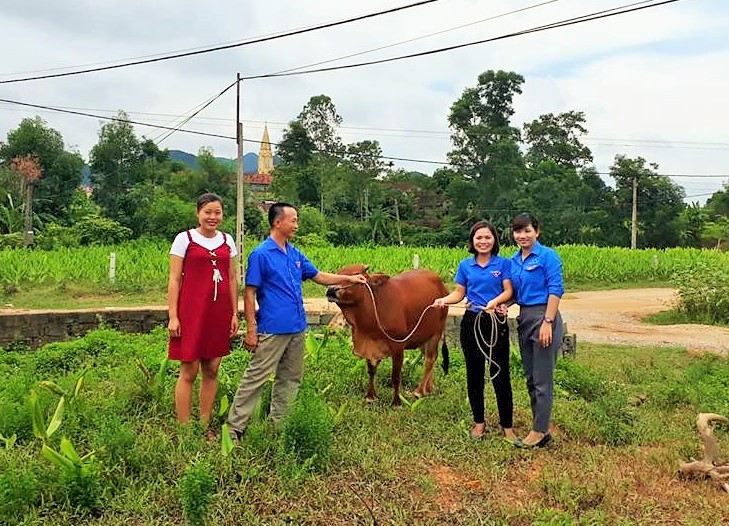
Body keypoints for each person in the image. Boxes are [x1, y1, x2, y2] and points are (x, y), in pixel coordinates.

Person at [227, 202, 366, 440]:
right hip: (272, 328)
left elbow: (319, 276)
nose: (296, 225)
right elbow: (249, 293)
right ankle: (235, 428)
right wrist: (251, 329)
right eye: (293, 220)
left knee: (290, 378)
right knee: (256, 377)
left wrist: (349, 279)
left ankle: (278, 425)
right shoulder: (261, 254)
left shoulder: (294, 253)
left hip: (296, 327)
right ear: (277, 222)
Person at [433, 221, 515, 442]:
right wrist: (443, 300)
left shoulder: (503, 264)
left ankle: (507, 426)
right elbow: (459, 293)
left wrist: (494, 302)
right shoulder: (465, 266)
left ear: (494, 240)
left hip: (495, 322)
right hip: (471, 322)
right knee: (474, 373)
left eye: (487, 237)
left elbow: (508, 291)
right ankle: (479, 423)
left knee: (500, 373)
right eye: (479, 237)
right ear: (472, 241)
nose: (483, 241)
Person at [168, 193, 239, 425]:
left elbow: (231, 279)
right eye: (208, 212)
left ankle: (204, 422)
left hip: (218, 313)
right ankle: (185, 427)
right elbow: (174, 279)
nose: (212, 217)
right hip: (191, 313)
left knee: (212, 369)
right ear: (198, 213)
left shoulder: (228, 240)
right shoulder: (184, 239)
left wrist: (233, 313)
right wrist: (173, 316)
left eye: (217, 212)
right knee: (189, 369)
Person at [508, 213, 564, 448]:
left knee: (542, 378)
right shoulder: (514, 261)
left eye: (527, 231)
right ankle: (539, 427)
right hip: (524, 318)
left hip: (544, 317)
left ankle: (539, 430)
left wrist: (548, 321)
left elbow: (555, 289)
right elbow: (514, 293)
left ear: (537, 232)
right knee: (531, 377)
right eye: (518, 231)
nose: (522, 236)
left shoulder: (547, 256)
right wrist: (502, 304)